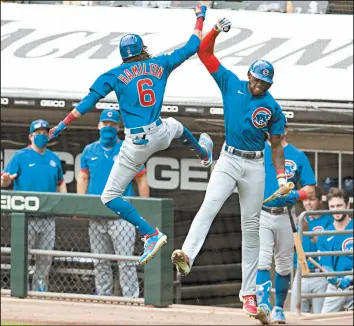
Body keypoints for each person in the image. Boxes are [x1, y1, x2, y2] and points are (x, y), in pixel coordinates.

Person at [48, 6, 213, 266]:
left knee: (110, 197)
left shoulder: (115, 73)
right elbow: (193, 45)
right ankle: (204, 154)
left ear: (123, 55)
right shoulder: (160, 63)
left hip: (135, 143)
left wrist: (61, 124)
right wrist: (200, 15)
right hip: (159, 132)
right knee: (177, 127)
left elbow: (89, 101)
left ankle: (150, 233)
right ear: (142, 49)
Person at [171, 17, 286, 317]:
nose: (259, 84)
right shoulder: (232, 83)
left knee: (251, 229)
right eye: (257, 78)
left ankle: (248, 294)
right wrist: (215, 31)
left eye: (265, 82)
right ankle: (187, 255)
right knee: (209, 205)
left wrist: (283, 175)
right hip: (229, 157)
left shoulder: (272, 107)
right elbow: (205, 54)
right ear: (249, 74)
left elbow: (276, 146)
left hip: (255, 165)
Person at [77, 109, 149, 297]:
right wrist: (80, 204)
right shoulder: (89, 150)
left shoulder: (128, 148)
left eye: (112, 124)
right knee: (100, 261)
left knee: (125, 261)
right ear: (99, 126)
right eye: (105, 124)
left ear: (118, 127)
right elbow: (83, 177)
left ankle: (131, 299)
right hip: (96, 214)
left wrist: (145, 209)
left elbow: (141, 179)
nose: (108, 127)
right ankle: (103, 298)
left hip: (121, 216)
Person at [252, 119, 316, 324]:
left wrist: (295, 195)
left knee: (284, 265)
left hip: (286, 214)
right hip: (262, 212)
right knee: (262, 260)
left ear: (286, 130)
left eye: (279, 128)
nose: (275, 131)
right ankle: (263, 305)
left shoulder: (297, 155)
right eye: (271, 128)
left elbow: (311, 190)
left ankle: (279, 307)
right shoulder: (259, 150)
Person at [1, 119, 67, 291]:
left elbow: (61, 183)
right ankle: (20, 292)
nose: (42, 136)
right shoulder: (20, 156)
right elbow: (5, 181)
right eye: (38, 133)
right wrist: (5, 180)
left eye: (45, 133)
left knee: (45, 260)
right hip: (25, 217)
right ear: (31, 136)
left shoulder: (54, 158)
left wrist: (66, 202)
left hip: (47, 217)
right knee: (22, 257)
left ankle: (40, 293)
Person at [290, 186, 333, 314]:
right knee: (296, 315)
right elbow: (291, 246)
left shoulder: (328, 219)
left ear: (320, 201)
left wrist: (307, 231)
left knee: (319, 316)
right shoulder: (299, 219)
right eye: (305, 200)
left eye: (312, 199)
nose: (308, 203)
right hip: (300, 272)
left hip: (320, 274)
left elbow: (326, 245)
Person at [317, 187, 353, 313]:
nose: (336, 210)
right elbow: (325, 263)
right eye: (332, 206)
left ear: (348, 205)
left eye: (339, 205)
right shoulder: (325, 234)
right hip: (335, 286)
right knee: (324, 321)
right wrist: (333, 277)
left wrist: (349, 277)